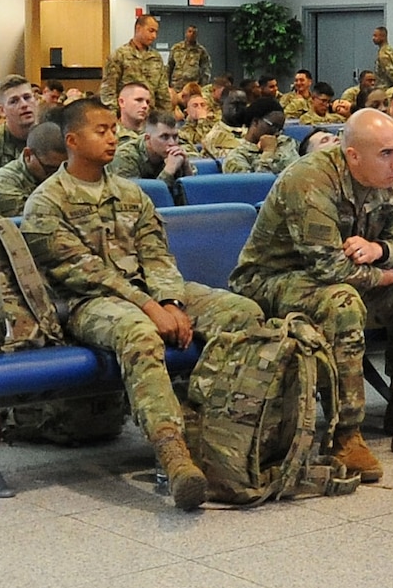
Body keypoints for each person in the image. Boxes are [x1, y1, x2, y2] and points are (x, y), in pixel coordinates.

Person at [23, 98, 264, 509]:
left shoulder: (131, 194)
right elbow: (84, 273)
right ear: (72, 140)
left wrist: (171, 300)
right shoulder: (46, 204)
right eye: (101, 131)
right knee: (138, 333)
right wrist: (152, 308)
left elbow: (156, 255)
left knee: (243, 313)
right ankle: (174, 454)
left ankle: (211, 428)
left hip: (151, 293)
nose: (112, 137)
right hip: (89, 304)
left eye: (113, 130)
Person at [229, 108, 393, 472]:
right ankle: (344, 435)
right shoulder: (311, 179)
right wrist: (391, 275)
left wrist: (381, 251)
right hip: (273, 280)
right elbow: (331, 269)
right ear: (352, 156)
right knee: (342, 303)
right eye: (386, 154)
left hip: (346, 276)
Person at [0, 120, 68, 217]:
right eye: (50, 169)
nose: (57, 175)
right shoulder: (4, 182)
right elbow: (33, 221)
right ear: (28, 155)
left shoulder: (70, 171)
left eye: (63, 168)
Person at [111, 109, 194, 201]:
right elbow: (138, 200)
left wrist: (186, 168)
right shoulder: (125, 157)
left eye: (175, 137)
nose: (172, 143)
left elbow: (193, 198)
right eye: (164, 137)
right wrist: (168, 171)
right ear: (148, 138)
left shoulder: (177, 155)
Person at [99, 14, 170, 111]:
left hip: (150, 117)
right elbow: (108, 90)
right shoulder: (119, 55)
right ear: (138, 28)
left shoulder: (156, 58)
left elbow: (163, 93)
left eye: (156, 32)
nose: (154, 36)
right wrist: (114, 117)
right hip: (126, 117)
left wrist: (164, 118)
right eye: (151, 31)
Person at [220, 98, 299, 174]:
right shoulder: (237, 156)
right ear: (255, 122)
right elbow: (255, 185)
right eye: (273, 126)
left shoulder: (286, 142)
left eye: (280, 128)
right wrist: (268, 152)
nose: (277, 133)